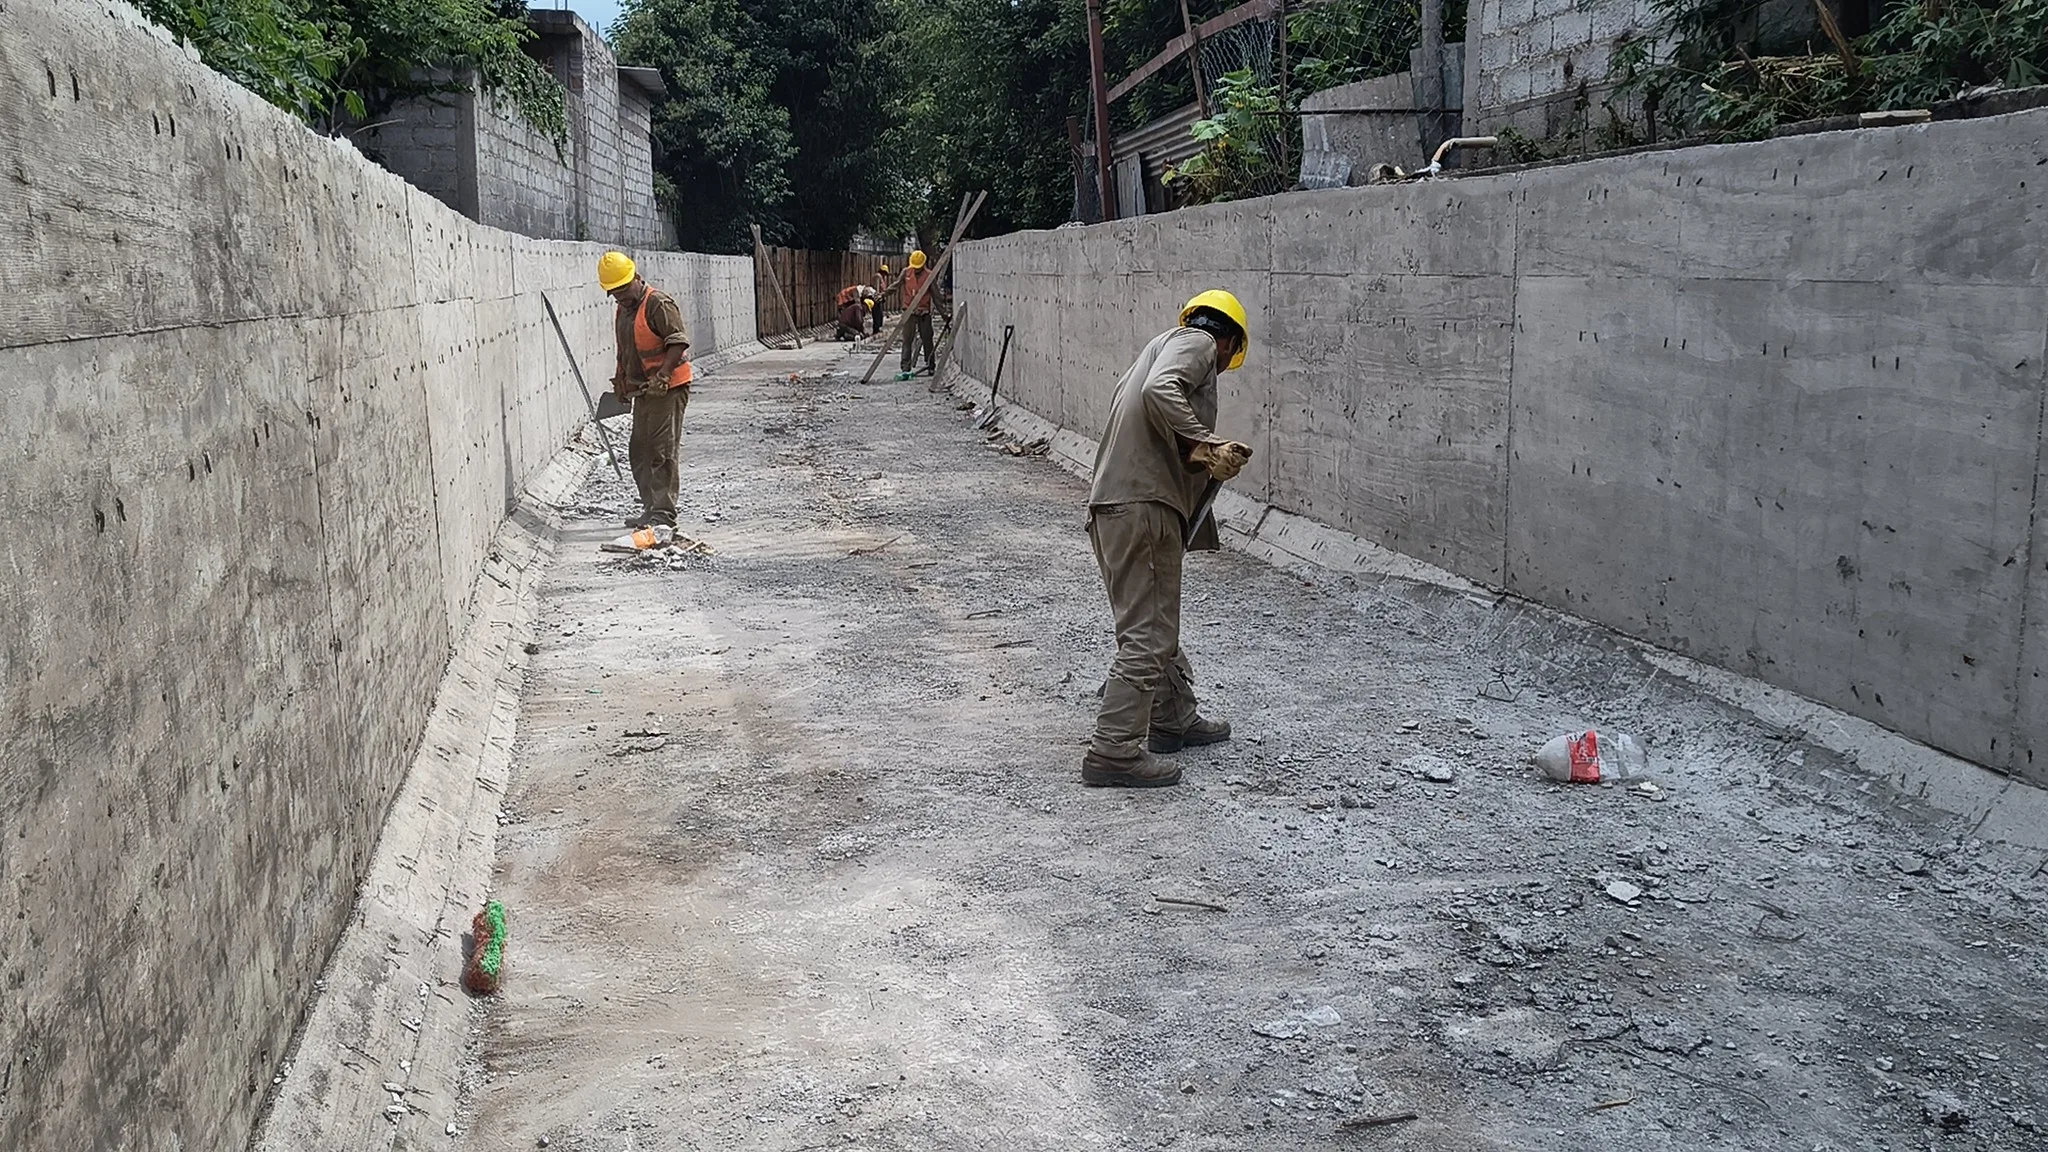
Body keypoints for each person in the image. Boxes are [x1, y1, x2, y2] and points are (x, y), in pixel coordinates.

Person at [1080, 290, 1254, 788]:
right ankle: (1113, 750)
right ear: (1228, 343)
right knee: (1148, 635)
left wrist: (1193, 453)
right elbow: (1163, 391)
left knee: (1152, 620)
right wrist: (1206, 442)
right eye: (1228, 356)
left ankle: (1173, 716)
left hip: (1112, 507)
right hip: (1143, 507)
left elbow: (1149, 404)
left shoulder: (1149, 352)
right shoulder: (1197, 343)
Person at [598, 250, 692, 531]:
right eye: (614, 293)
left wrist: (663, 376)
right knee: (639, 450)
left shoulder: (658, 304)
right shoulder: (624, 309)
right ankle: (651, 509)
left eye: (623, 290)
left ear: (636, 278)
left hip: (668, 388)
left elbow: (678, 342)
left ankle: (664, 513)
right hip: (643, 391)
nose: (620, 296)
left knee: (660, 450)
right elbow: (626, 350)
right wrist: (621, 381)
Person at [898, 250, 937, 375]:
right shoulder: (906, 273)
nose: (916, 270)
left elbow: (936, 295)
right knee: (907, 339)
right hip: (909, 311)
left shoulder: (929, 275)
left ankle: (930, 365)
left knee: (927, 338)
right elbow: (896, 285)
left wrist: (944, 314)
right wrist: (884, 294)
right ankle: (905, 367)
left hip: (923, 313)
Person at [870, 263, 890, 335]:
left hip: (878, 298)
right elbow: (877, 288)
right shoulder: (878, 277)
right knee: (877, 314)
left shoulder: (880, 277)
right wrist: (879, 296)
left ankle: (878, 328)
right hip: (876, 299)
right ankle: (876, 329)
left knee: (879, 314)